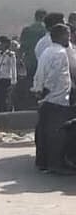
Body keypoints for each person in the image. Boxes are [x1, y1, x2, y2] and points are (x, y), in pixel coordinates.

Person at [31, 23, 74, 175]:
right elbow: (54, 76)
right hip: (57, 98)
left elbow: (39, 73)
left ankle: (42, 162)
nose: (69, 38)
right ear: (61, 36)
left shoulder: (47, 51)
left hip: (46, 99)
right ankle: (56, 164)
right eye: (67, 35)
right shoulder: (61, 53)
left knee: (44, 131)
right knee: (57, 133)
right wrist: (46, 91)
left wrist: (38, 91)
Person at [19, 9, 49, 81]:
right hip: (43, 61)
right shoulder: (46, 30)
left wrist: (19, 59)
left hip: (29, 61)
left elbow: (22, 47)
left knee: (30, 82)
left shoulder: (27, 29)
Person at [0, 36, 18, 113]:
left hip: (6, 79)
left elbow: (13, 69)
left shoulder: (11, 55)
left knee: (5, 98)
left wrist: (13, 82)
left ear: (5, 44)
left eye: (1, 43)